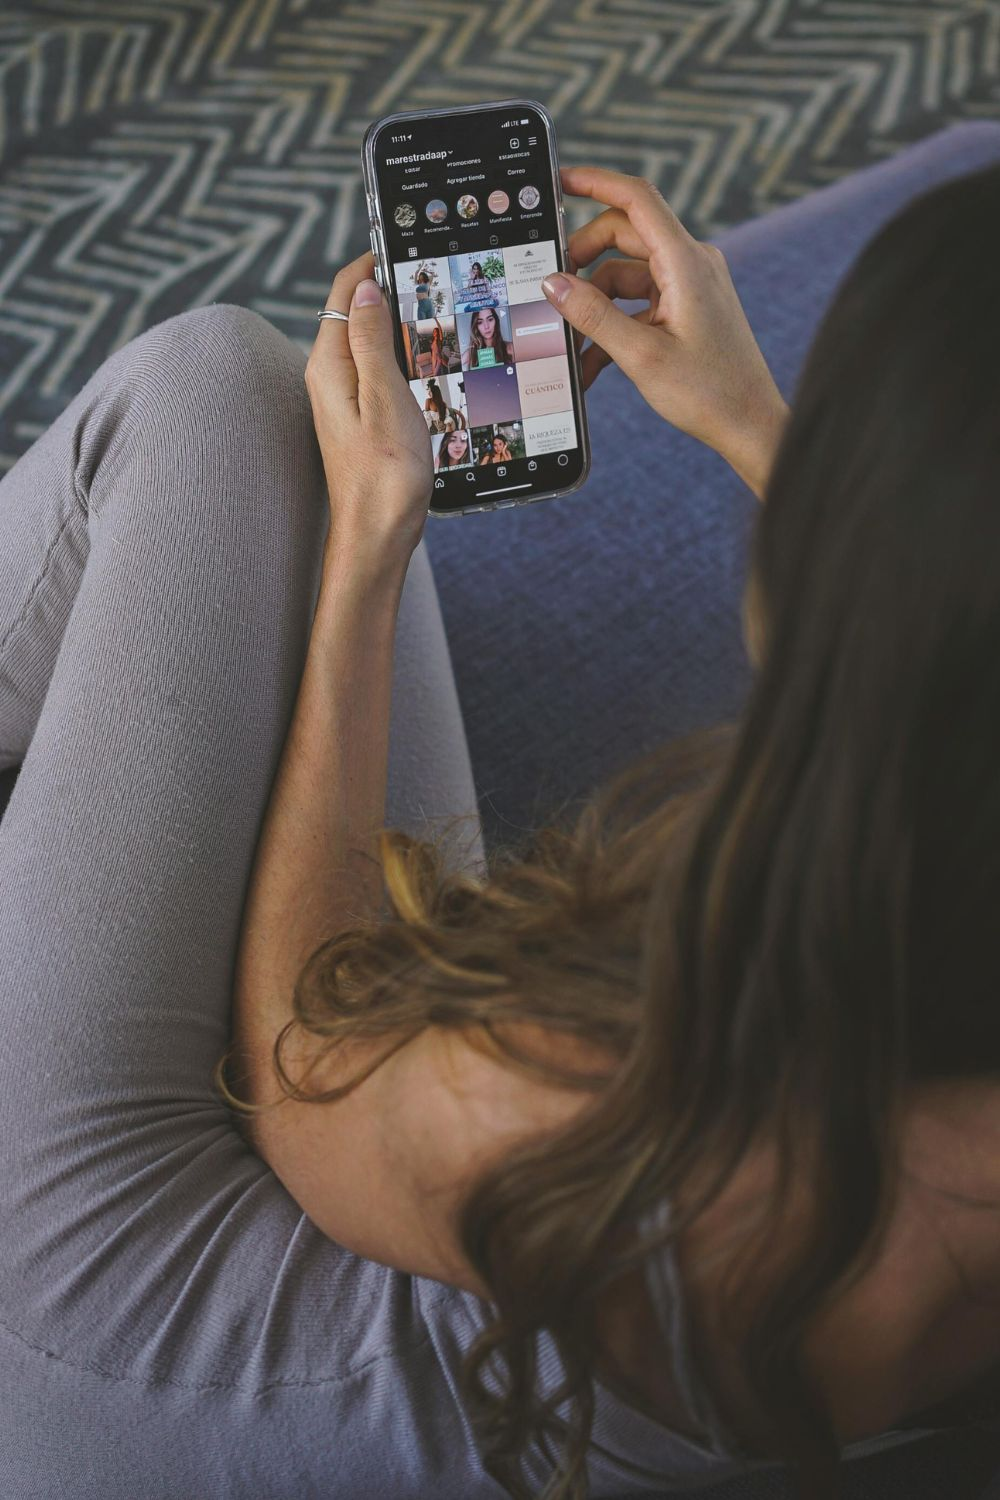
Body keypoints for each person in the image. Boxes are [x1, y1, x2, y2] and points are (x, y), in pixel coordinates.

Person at [0, 152, 998, 1500]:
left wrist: (370, 551)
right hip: (477, 1216)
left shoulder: (645, 1079)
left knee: (214, 391)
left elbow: (311, 1058)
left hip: (150, 1342)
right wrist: (754, 420)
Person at [462, 305, 514, 369]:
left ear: (496, 321)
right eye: (480, 322)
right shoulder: (469, 354)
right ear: (476, 326)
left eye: (490, 319)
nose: (486, 326)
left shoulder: (511, 348)